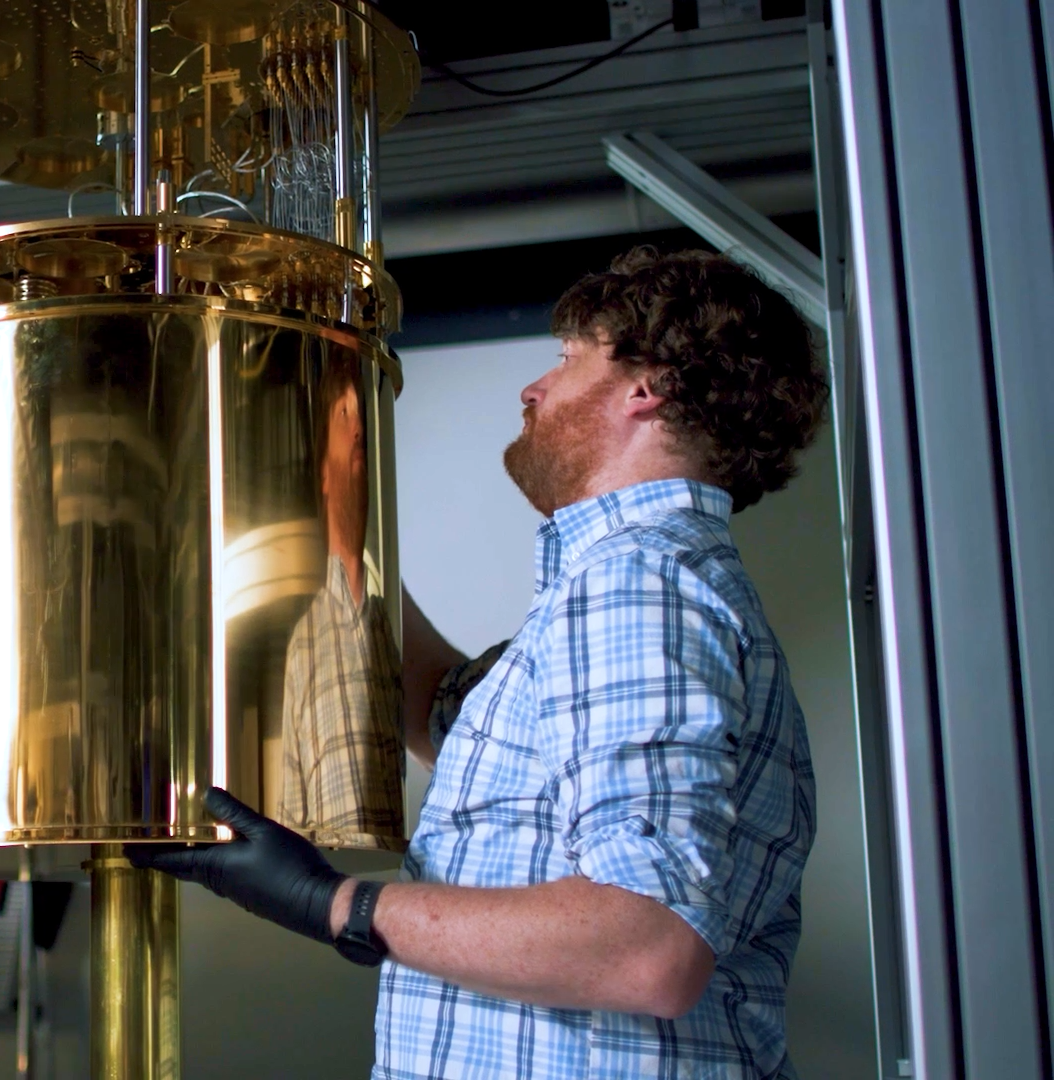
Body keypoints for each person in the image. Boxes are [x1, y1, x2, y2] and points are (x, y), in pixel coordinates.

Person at [133, 247, 827, 1078]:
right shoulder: (642, 582)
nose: (536, 388)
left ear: (651, 388)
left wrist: (332, 904)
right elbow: (444, 715)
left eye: (570, 358)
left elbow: (648, 945)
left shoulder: (638, 586)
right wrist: (333, 520)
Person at [278, 353, 404, 849]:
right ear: (321, 473)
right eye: (343, 417)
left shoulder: (383, 623)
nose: (358, 436)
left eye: (362, 421)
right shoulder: (305, 638)